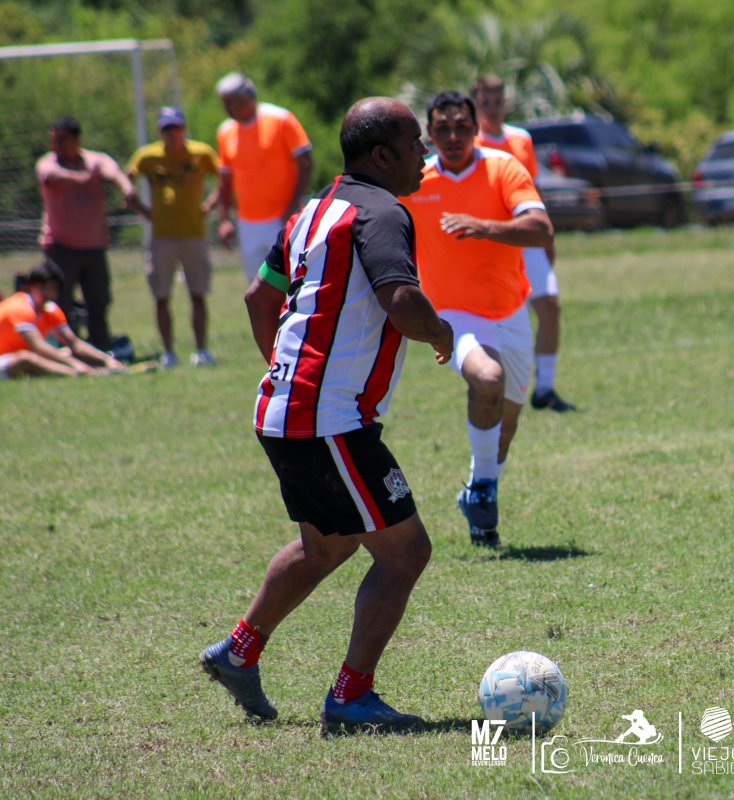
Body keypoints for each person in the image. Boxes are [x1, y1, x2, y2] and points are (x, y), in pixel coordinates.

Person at [200, 97, 454, 735]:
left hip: (285, 411)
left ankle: (237, 653)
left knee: (328, 542)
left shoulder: (312, 210)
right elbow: (402, 300)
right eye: (415, 143)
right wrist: (440, 332)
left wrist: (288, 375)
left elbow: (258, 297)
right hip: (329, 419)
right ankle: (350, 698)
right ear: (382, 156)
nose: (424, 154)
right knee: (405, 553)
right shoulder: (383, 212)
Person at [405, 91, 554, 547]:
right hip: (451, 316)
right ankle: (486, 489)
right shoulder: (415, 180)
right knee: (487, 380)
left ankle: (476, 496)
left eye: (461, 127)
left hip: (510, 312)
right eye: (442, 128)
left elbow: (541, 229)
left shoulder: (503, 167)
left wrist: (484, 226)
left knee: (505, 428)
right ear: (429, 134)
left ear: (475, 129)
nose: (453, 137)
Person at [472, 75, 575, 412]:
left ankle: (544, 389)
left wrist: (546, 233)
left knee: (550, 306)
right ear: (475, 104)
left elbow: (533, 190)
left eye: (497, 101)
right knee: (499, 317)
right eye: (485, 102)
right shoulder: (470, 143)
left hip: (526, 238)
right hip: (493, 241)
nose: (493, 108)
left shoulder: (521, 139)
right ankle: (497, 386)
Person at [126, 107, 221, 368]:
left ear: (183, 128)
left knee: (198, 293)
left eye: (176, 128)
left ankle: (202, 350)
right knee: (161, 296)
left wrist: (210, 204)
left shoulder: (201, 152)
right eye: (167, 129)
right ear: (160, 131)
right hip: (162, 238)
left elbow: (223, 178)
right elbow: (127, 180)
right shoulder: (147, 156)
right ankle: (168, 352)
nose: (172, 133)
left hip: (194, 235)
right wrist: (143, 210)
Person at [35, 116, 136, 351]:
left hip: (93, 247)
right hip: (61, 248)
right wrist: (83, 178)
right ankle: (65, 352)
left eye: (61, 140)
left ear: (77, 140)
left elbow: (113, 172)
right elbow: (53, 177)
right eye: (54, 140)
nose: (55, 145)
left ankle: (100, 350)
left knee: (98, 302)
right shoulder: (48, 163)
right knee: (60, 304)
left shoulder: (95, 160)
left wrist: (126, 188)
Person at [214, 72, 313, 282]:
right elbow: (225, 181)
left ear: (247, 97)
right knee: (257, 284)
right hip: (247, 222)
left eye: (231, 102)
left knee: (290, 280)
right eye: (225, 104)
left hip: (283, 217)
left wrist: (293, 204)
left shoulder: (280, 119)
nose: (228, 109)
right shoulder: (225, 131)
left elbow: (305, 163)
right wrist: (224, 220)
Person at [0, 260, 126, 378]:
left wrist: (107, 360)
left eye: (53, 288)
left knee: (67, 352)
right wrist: (74, 364)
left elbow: (74, 343)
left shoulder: (50, 309)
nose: (48, 293)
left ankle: (95, 370)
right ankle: (78, 374)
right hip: (7, 359)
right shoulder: (19, 308)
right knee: (26, 358)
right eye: (43, 288)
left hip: (23, 357)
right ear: (30, 287)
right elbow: (38, 345)